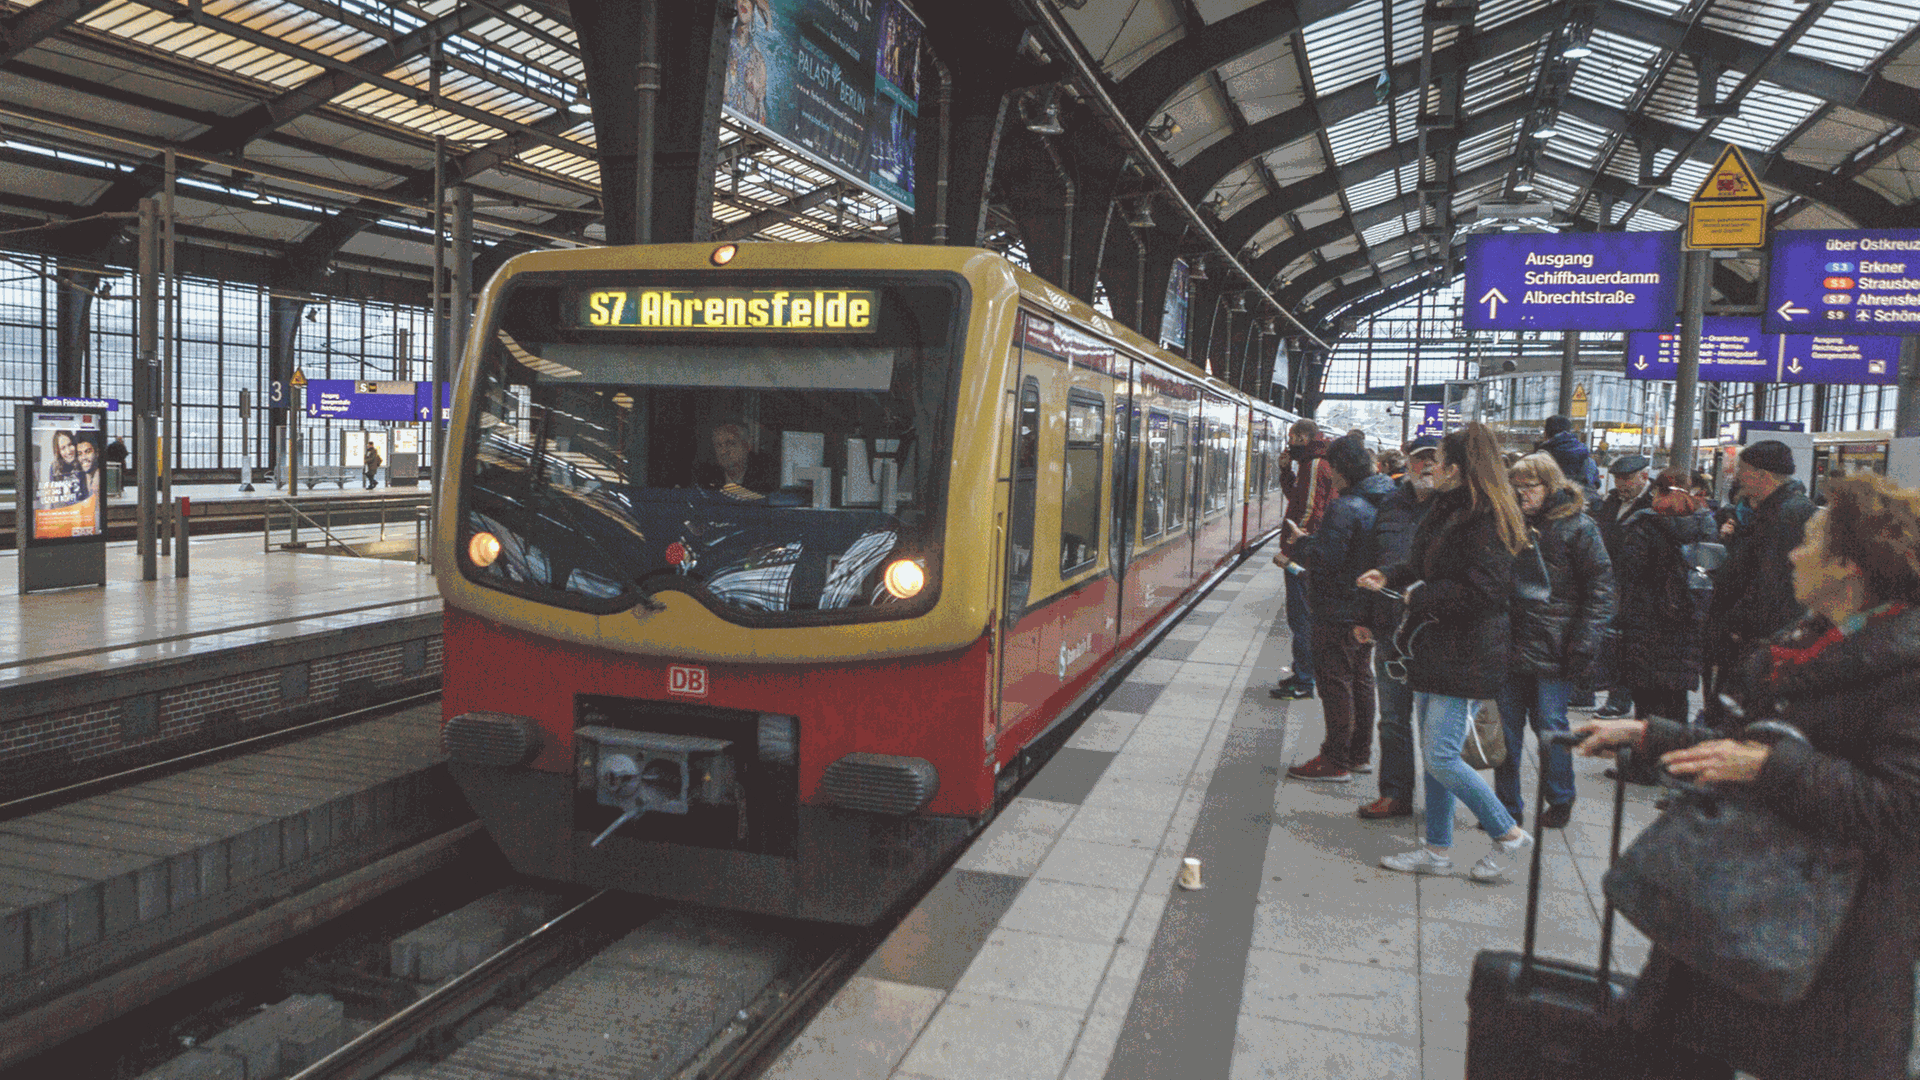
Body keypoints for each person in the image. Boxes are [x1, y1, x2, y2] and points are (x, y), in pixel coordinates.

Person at [1575, 473, 1920, 1080]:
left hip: (1825, 943)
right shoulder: (1811, 639)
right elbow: (1760, 750)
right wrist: (1663, 737)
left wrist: (1770, 766)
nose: (1794, 553)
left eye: (1810, 542)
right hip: (1739, 912)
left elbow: (1900, 808)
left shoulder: (1904, 668)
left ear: (1847, 564)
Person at [1359, 423, 1535, 881]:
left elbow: (1487, 590)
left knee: (1440, 756)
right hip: (1435, 647)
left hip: (1468, 653)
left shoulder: (1489, 517)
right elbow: (1422, 564)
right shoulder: (1449, 507)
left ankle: (1508, 834)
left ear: (1457, 467)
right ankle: (1437, 851)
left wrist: (1424, 597)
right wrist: (1390, 576)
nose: (1431, 466)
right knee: (1436, 757)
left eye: (1438, 459)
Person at [1493, 453, 1614, 829]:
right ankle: (1505, 807)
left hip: (1555, 645)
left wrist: (1585, 641)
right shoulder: (1509, 524)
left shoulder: (1579, 527)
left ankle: (1561, 798)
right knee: (1505, 731)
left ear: (1551, 485)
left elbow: (1601, 588)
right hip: (1510, 643)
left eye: (1530, 486)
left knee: (1551, 727)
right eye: (1516, 486)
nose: (1522, 493)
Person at [1285, 435, 1395, 782]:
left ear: (1339, 469)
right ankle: (1359, 754)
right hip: (1366, 607)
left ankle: (1335, 759)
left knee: (1334, 681)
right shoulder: (1386, 499)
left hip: (1337, 607)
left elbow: (1327, 558)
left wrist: (1301, 544)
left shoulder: (1345, 507)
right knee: (1361, 678)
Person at [1357, 435, 1441, 819]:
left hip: (1435, 630)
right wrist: (1363, 616)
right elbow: (1372, 560)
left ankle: (1441, 806)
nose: (1425, 467)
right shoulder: (1390, 502)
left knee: (1435, 725)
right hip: (1390, 624)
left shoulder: (1456, 507)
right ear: (1407, 462)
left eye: (1433, 460)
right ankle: (1395, 794)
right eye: (1419, 459)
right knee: (1392, 717)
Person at [1611, 468, 1719, 739]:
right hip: (1688, 619)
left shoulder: (1645, 524)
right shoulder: (1705, 524)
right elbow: (1710, 569)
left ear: (1657, 492)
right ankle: (1671, 756)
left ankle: (1644, 759)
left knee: (1646, 695)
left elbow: (1630, 571)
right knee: (1675, 693)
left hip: (1647, 620)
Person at [1708, 440, 1816, 701]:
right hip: (1751, 637)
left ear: (1762, 475)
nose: (1736, 477)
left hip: (1755, 640)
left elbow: (1771, 583)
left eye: (1742, 470)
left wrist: (1737, 625)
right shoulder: (1773, 510)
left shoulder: (1787, 515)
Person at [1272, 419, 1336, 699]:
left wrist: (1291, 547)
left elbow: (1310, 508)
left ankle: (1304, 680)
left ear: (1301, 436)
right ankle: (1302, 673)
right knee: (1302, 616)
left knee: (1301, 617)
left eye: (1292, 437)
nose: (1290, 443)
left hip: (1302, 555)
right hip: (1309, 550)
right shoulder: (1317, 462)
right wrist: (1286, 471)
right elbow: (1296, 496)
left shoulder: (1314, 465)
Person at [1592, 454, 1653, 718]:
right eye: (1617, 479)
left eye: (1627, 479)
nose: (1621, 484)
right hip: (1611, 577)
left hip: (1638, 583)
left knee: (1626, 642)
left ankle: (1620, 698)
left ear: (1644, 477)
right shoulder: (1612, 501)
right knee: (1610, 639)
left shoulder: (1652, 504)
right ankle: (1601, 689)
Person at [695, 421, 778, 495]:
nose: (723, 451)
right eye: (719, 445)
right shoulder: (706, 478)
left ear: (748, 444)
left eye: (730, 443)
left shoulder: (767, 476)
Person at [1538, 414, 1600, 495]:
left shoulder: (1542, 457)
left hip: (1554, 504)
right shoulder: (1585, 455)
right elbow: (1596, 483)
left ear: (1545, 433)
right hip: (1584, 502)